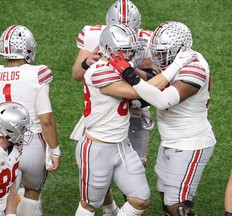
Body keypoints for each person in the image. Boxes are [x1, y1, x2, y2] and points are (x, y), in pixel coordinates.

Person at [75, 24, 196, 216]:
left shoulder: (121, 65)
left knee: (141, 199)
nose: (129, 54)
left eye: (130, 49)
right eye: (123, 50)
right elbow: (142, 92)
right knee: (90, 205)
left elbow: (146, 80)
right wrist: (177, 65)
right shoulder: (99, 71)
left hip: (121, 144)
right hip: (98, 147)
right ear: (109, 49)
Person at [122, 21, 216, 216]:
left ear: (181, 50)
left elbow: (163, 100)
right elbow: (155, 79)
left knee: (177, 206)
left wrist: (133, 79)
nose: (157, 58)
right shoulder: (174, 62)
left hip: (191, 142)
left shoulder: (194, 67)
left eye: (162, 53)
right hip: (170, 140)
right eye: (156, 52)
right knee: (166, 199)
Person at [0, 25, 61, 216]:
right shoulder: (37, 73)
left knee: (4, 196)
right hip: (32, 143)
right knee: (32, 191)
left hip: (2, 143)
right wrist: (54, 150)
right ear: (28, 48)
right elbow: (46, 118)